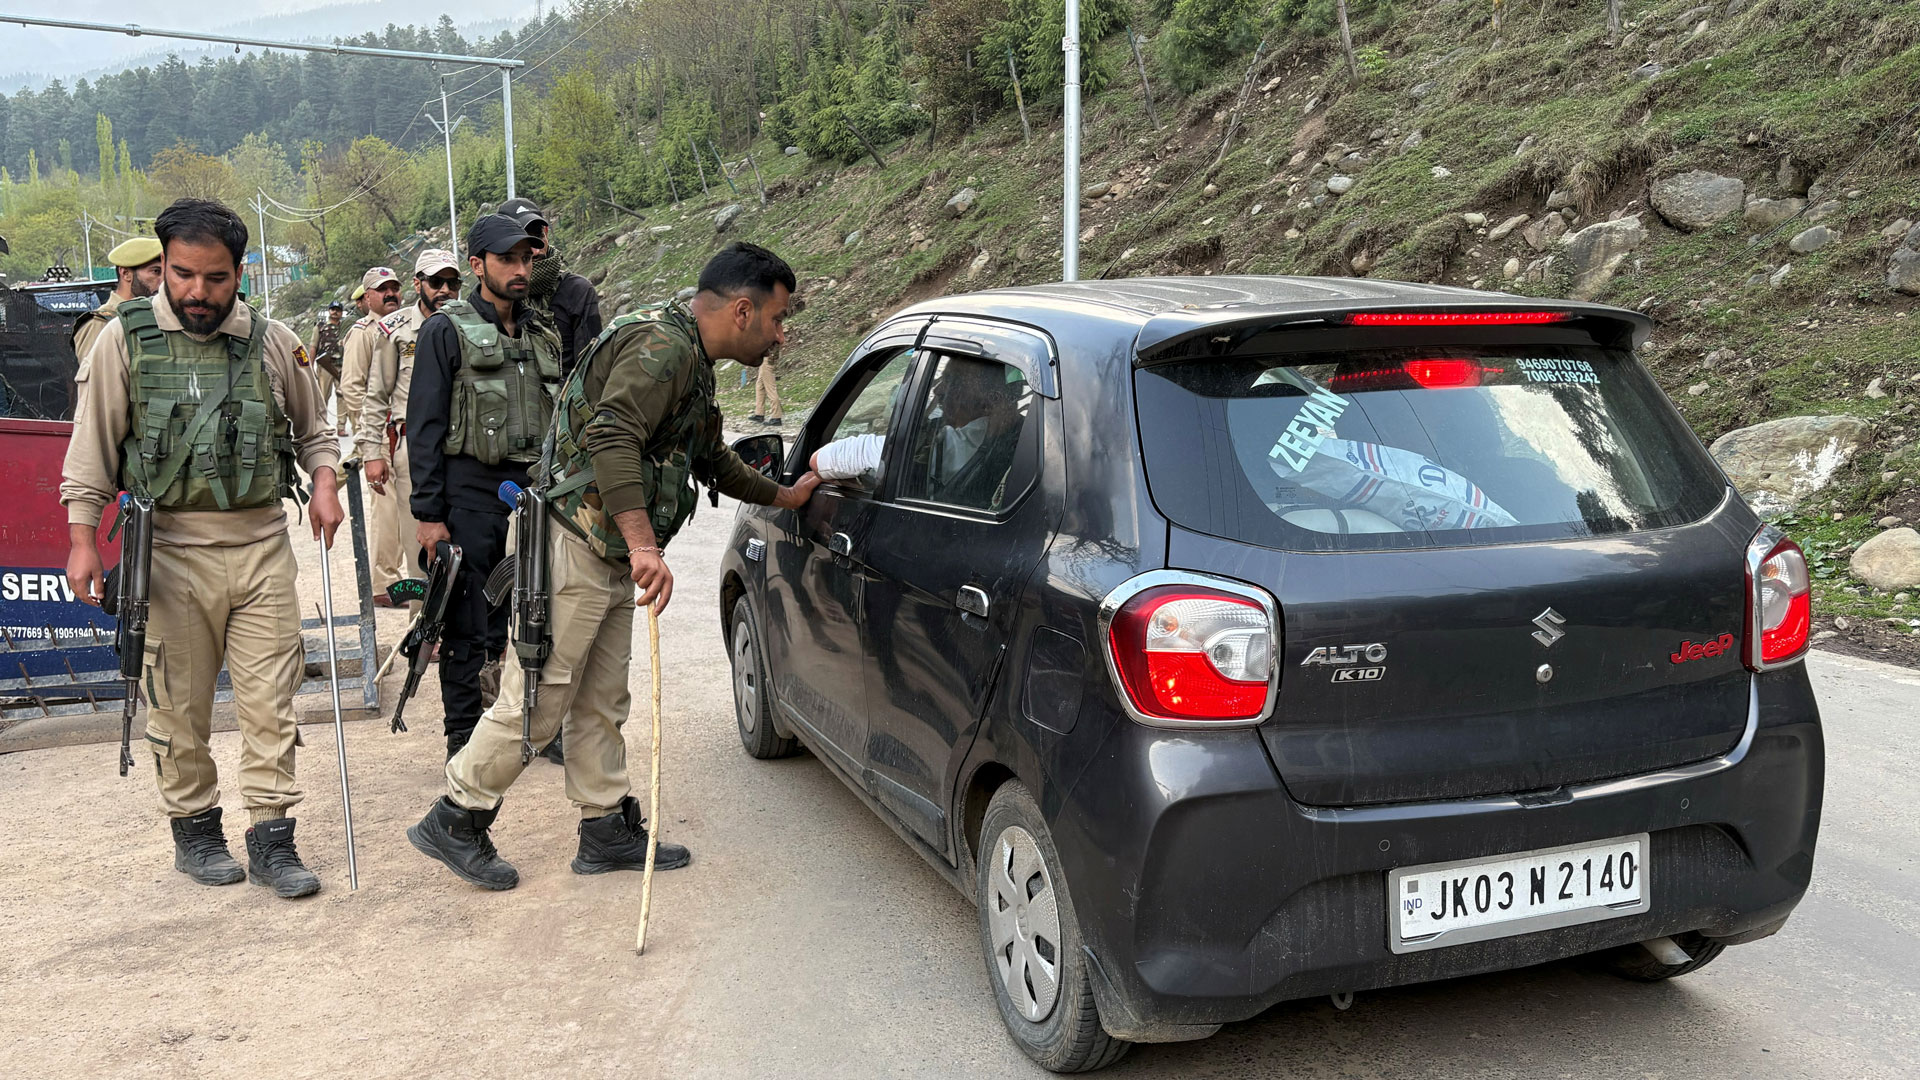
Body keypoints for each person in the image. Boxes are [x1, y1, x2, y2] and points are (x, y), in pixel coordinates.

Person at [407, 241, 822, 890]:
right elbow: (612, 436)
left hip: (606, 549)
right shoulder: (664, 349)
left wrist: (788, 496)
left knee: (602, 700)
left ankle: (602, 826)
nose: (781, 335)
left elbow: (710, 457)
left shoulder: (689, 357)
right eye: (777, 319)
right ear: (743, 311)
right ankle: (457, 815)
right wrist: (645, 546)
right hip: (574, 541)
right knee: (539, 699)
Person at [60, 198, 345, 898]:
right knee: (178, 707)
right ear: (162, 266)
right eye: (182, 274)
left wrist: (326, 484)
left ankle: (273, 839)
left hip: (261, 548)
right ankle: (195, 832)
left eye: (215, 278)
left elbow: (315, 432)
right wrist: (82, 541)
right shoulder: (122, 342)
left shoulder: (274, 340)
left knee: (271, 702)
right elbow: (90, 452)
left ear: (238, 273)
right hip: (167, 555)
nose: (196, 292)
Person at [406, 215, 563, 759]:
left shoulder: (542, 333)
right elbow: (424, 427)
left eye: (526, 259)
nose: (520, 269)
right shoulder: (445, 331)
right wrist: (429, 515)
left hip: (535, 499)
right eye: (507, 259)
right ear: (477, 265)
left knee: (542, 618)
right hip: (470, 498)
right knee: (468, 626)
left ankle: (541, 727)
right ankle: (463, 739)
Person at [356, 250, 461, 602]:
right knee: (420, 545)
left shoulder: (471, 323)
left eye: (452, 282)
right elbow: (375, 396)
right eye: (436, 282)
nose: (445, 290)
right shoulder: (395, 330)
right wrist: (372, 453)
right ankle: (421, 622)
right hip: (412, 450)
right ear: (418, 284)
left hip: (462, 449)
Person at [342, 267, 405, 602]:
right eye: (382, 289)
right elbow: (352, 388)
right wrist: (372, 435)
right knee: (387, 510)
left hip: (407, 432)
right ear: (367, 297)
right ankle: (384, 584)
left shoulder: (405, 326)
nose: (390, 294)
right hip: (383, 434)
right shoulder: (362, 334)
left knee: (409, 508)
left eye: (394, 287)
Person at [499, 197, 602, 375]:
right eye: (523, 242)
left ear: (546, 233)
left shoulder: (577, 291)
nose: (535, 250)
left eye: (537, 236)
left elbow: (590, 372)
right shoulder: (493, 296)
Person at [72, 236, 164, 363]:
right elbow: (95, 374)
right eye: (156, 271)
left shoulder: (157, 316)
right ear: (126, 273)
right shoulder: (99, 324)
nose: (163, 280)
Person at [747, 296, 801, 426]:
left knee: (770, 386)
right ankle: (759, 413)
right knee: (760, 385)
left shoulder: (772, 322)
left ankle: (776, 417)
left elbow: (778, 339)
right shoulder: (772, 320)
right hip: (767, 355)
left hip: (768, 356)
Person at [309, 301, 347, 409]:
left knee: (343, 396)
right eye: (333, 309)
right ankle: (321, 418)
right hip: (325, 366)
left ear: (341, 313)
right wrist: (310, 366)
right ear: (329, 311)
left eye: (338, 310)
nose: (335, 312)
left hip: (341, 366)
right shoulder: (320, 327)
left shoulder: (345, 328)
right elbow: (313, 347)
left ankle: (341, 420)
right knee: (323, 396)